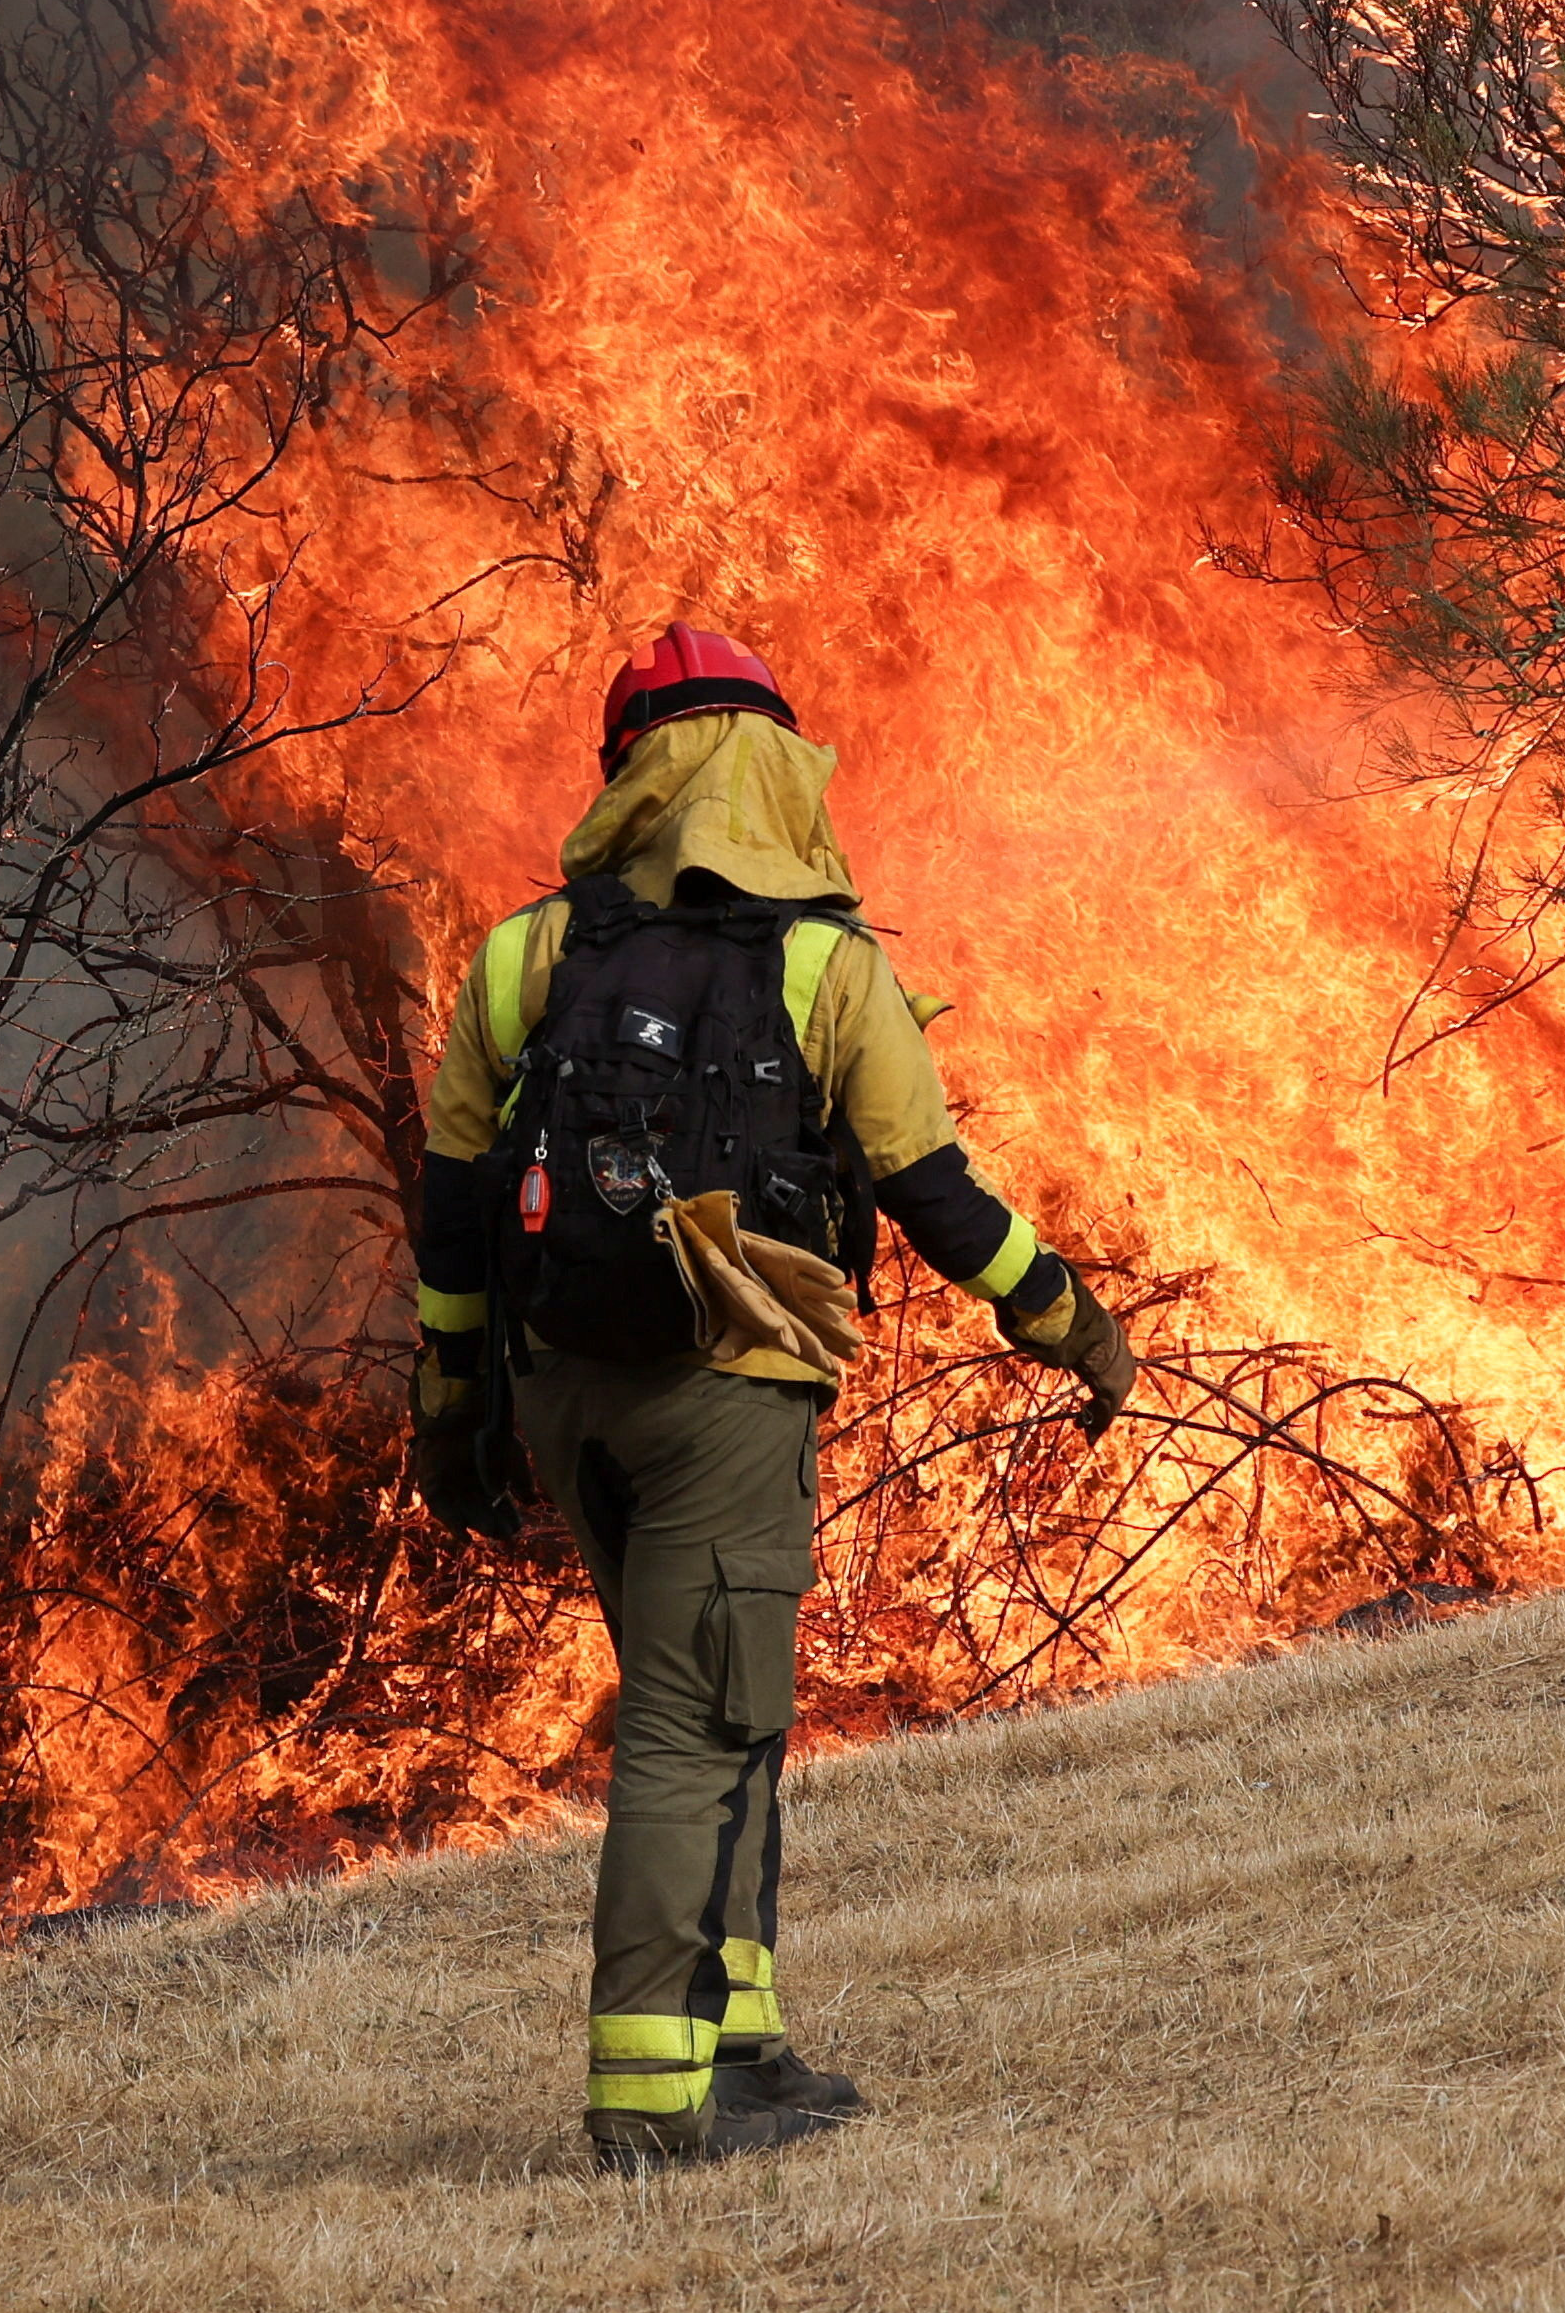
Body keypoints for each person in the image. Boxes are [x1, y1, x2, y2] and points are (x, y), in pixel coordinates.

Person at [409, 625, 1140, 2176]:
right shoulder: (826, 965)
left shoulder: (522, 957)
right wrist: (1066, 1317)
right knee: (697, 1720)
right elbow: (935, 1197)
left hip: (564, 1399)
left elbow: (456, 1209)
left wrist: (449, 1405)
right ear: (778, 775)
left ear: (628, 782)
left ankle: (739, 2036)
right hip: (723, 1397)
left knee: (722, 1707)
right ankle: (653, 2095)